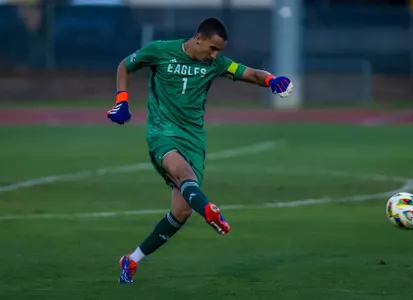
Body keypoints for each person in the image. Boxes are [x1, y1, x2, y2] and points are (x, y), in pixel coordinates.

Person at [107, 17, 293, 284]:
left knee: (181, 212)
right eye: (213, 48)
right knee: (182, 174)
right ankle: (209, 210)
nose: (216, 55)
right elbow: (125, 65)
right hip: (162, 132)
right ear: (198, 38)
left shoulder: (215, 64)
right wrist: (122, 100)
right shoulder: (160, 50)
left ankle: (132, 260)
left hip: (193, 139)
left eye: (219, 51)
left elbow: (251, 73)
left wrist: (272, 81)